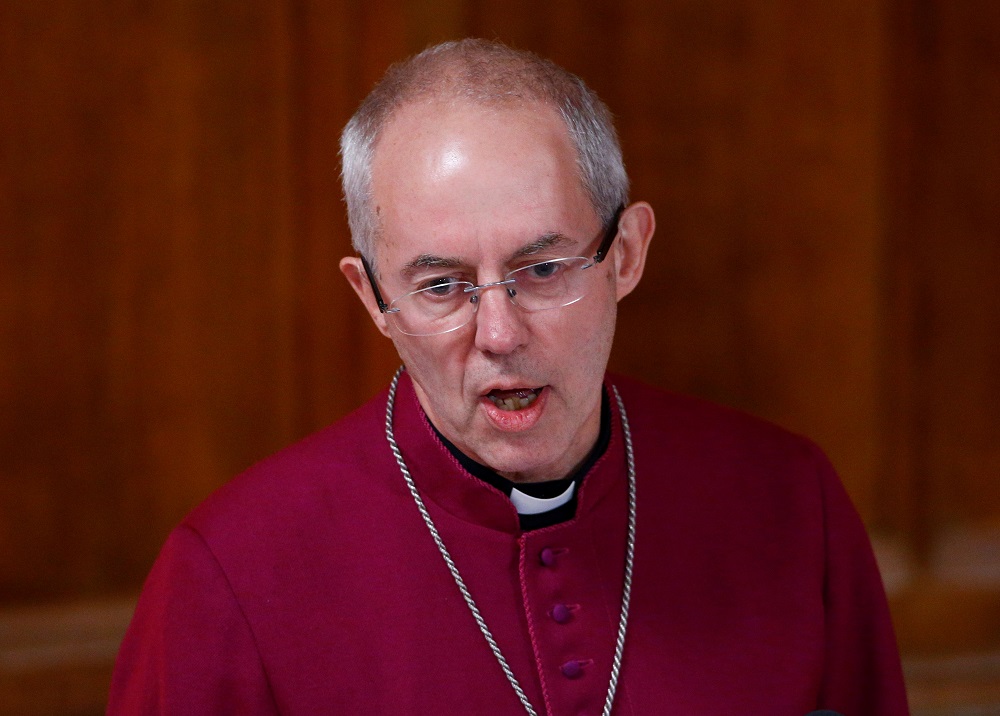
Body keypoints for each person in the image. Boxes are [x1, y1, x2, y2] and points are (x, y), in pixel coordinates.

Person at [108, 39, 909, 715]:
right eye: (440, 286)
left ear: (626, 254)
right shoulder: (226, 577)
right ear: (373, 297)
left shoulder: (790, 504)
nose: (499, 333)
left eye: (543, 267)